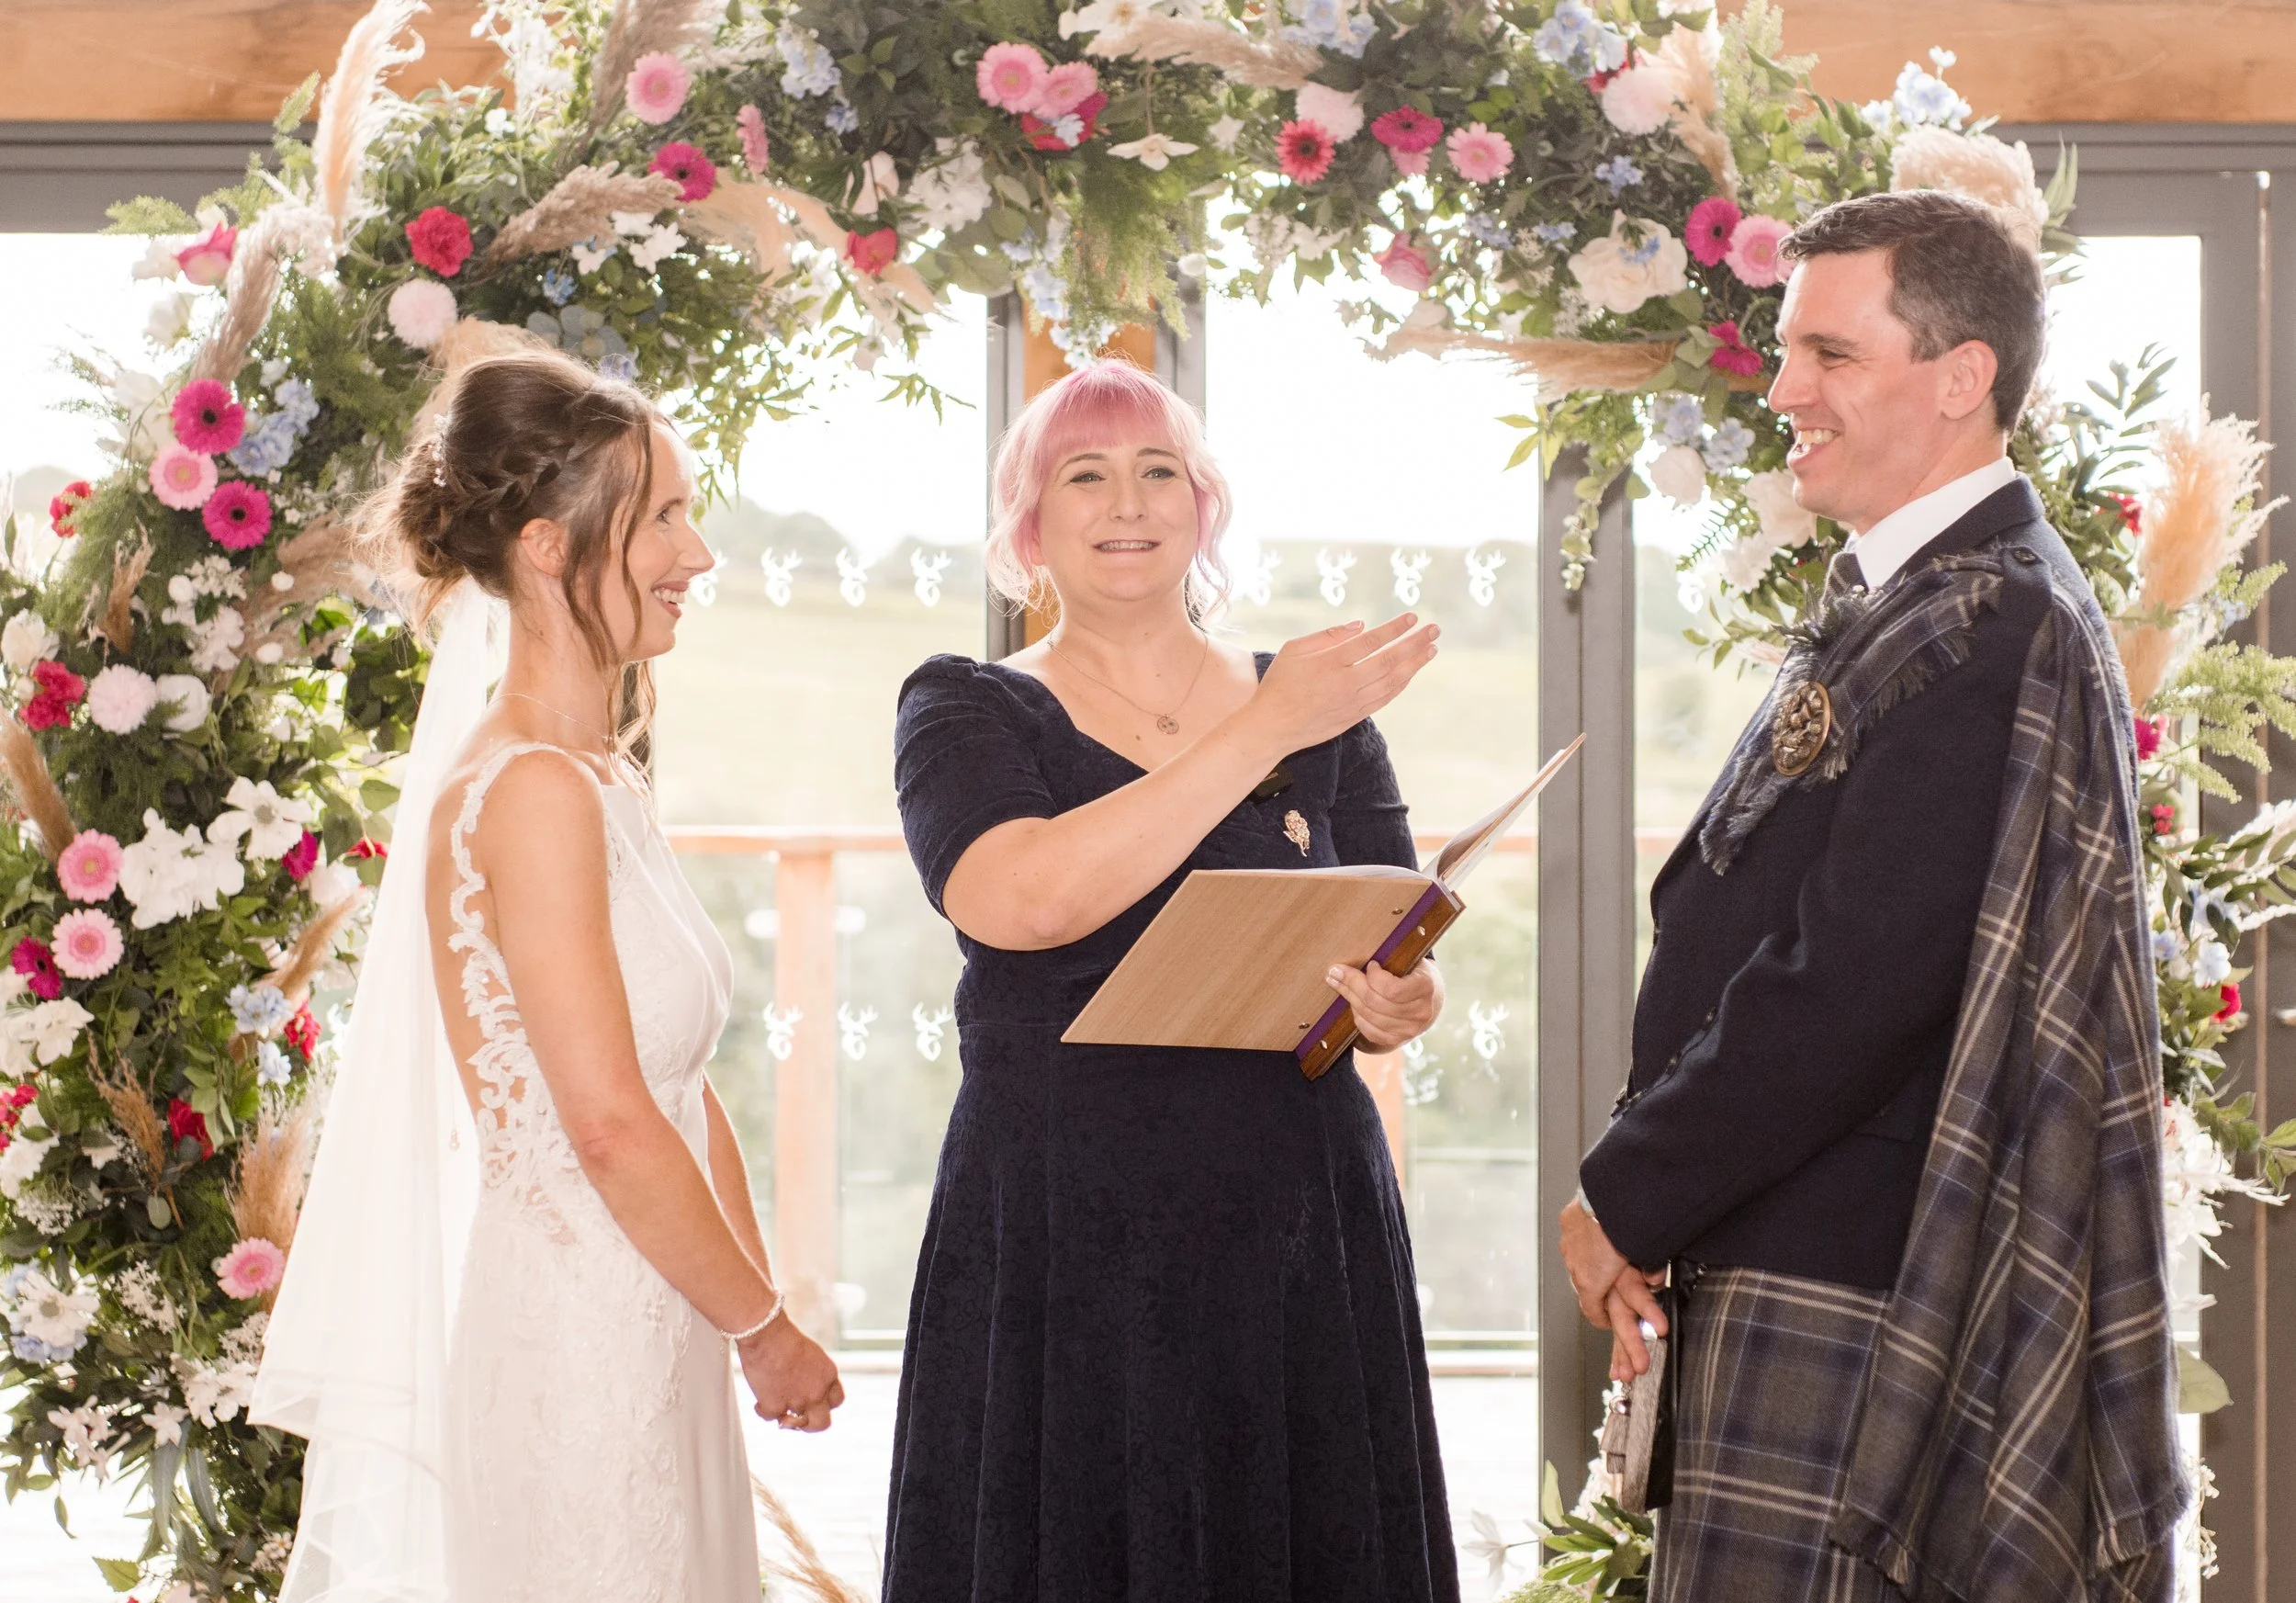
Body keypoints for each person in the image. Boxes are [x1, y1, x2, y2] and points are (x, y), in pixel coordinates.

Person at [1559, 190, 2183, 1602]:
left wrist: (1629, 1192)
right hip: (1803, 1241)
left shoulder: (1987, 617)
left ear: (1963, 378)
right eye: (1789, 352)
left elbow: (1853, 984)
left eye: (1830, 356)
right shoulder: (1938, 594)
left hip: (1859, 1277)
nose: (1785, 391)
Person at [253, 350, 842, 1601]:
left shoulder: (599, 778)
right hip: (584, 1338)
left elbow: (679, 1088)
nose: (697, 555)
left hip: (658, 1310)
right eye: (666, 518)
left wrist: (747, 1304)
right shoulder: (526, 793)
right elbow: (611, 1127)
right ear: (547, 548)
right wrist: (766, 1329)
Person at [884, 359, 1456, 1602]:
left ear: (1205, 510)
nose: (1127, 502)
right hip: (1059, 1218)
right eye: (1083, 476)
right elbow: (1020, 900)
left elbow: (1390, 928)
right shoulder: (965, 704)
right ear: (1029, 526)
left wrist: (1400, 1003)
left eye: (1160, 474)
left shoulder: (1325, 711)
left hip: (1296, 1216)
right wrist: (1261, 730)